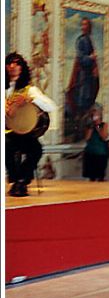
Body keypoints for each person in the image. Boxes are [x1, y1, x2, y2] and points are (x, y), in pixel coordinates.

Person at [5, 52, 57, 196]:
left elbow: (51, 106)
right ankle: (17, 180)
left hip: (23, 133)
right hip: (6, 132)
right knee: (6, 145)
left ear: (22, 68)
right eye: (9, 63)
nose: (12, 66)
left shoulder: (30, 90)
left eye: (16, 63)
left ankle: (21, 180)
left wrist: (31, 99)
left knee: (36, 149)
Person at [65, 17, 100, 142]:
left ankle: (84, 133)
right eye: (83, 25)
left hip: (89, 78)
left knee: (88, 104)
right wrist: (91, 58)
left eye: (86, 25)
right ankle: (78, 132)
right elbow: (81, 58)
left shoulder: (89, 40)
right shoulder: (81, 40)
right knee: (81, 104)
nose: (84, 27)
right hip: (82, 78)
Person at [82, 104, 109, 181]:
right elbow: (87, 138)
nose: (94, 114)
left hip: (101, 154)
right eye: (92, 112)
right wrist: (91, 126)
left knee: (100, 176)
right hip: (90, 153)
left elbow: (104, 136)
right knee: (91, 177)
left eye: (95, 112)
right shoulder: (89, 125)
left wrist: (98, 125)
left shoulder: (104, 125)